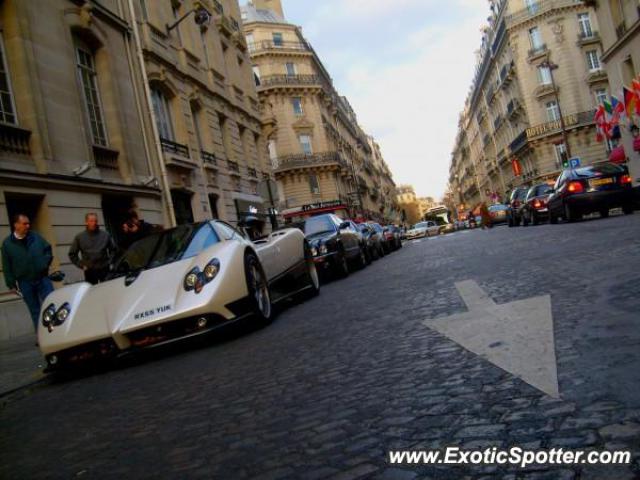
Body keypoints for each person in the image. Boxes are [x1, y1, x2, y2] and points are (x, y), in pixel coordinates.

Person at [1, 214, 54, 332]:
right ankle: (41, 335)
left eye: (28, 223)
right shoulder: (7, 244)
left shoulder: (36, 237)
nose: (28, 226)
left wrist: (45, 263)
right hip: (25, 282)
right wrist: (11, 284)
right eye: (25, 223)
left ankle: (55, 331)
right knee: (35, 310)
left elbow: (48, 249)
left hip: (42, 278)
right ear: (16, 225)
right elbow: (6, 266)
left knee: (51, 304)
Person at [68, 213, 116, 285]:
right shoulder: (80, 237)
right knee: (92, 292)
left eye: (95, 221)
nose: (93, 223)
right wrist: (81, 265)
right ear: (86, 222)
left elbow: (113, 250)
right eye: (91, 221)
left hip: (104, 269)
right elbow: (72, 254)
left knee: (107, 289)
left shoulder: (105, 235)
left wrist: (109, 262)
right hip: (90, 270)